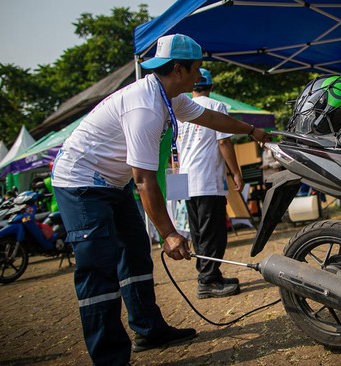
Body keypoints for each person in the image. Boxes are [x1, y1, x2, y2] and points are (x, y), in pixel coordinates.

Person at [51, 34, 267, 365]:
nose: (199, 77)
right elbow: (144, 180)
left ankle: (149, 329)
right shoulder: (146, 107)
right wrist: (169, 233)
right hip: (81, 183)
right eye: (196, 69)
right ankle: (109, 358)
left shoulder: (170, 97)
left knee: (135, 253)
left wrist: (250, 130)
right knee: (99, 266)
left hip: (113, 181)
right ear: (179, 69)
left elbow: (210, 118)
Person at [178, 68, 243, 299]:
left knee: (198, 233)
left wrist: (175, 188)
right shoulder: (216, 106)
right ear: (211, 87)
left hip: (185, 181)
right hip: (206, 180)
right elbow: (224, 143)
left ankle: (209, 276)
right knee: (213, 233)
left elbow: (174, 152)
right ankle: (208, 281)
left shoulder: (181, 109)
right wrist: (235, 172)